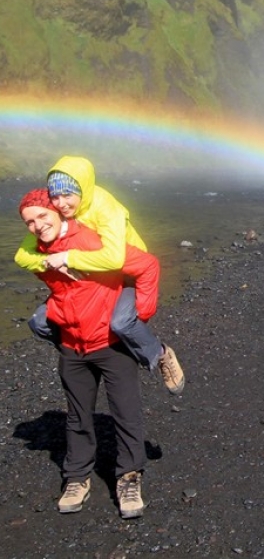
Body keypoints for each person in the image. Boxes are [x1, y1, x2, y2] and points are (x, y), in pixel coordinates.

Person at [18, 189, 150, 518]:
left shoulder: (93, 240)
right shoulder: (38, 251)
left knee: (125, 413)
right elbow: (24, 260)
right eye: (29, 222)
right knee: (77, 417)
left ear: (61, 213)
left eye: (42, 216)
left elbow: (146, 264)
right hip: (72, 345)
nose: (36, 225)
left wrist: (138, 319)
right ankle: (77, 476)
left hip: (110, 344)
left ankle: (129, 476)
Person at [15, 156, 184, 394]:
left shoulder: (106, 208)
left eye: (67, 195)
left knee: (122, 322)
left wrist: (67, 258)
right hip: (96, 274)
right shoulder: (54, 214)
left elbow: (119, 260)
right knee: (40, 322)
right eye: (56, 196)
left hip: (128, 272)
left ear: (82, 189)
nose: (61, 203)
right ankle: (77, 351)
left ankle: (161, 354)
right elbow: (21, 256)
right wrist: (45, 261)